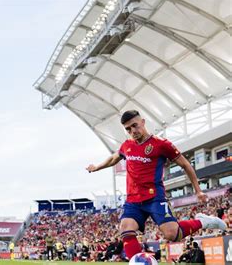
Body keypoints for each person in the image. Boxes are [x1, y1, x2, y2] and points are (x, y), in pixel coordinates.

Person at [86, 110, 227, 260]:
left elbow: (185, 165)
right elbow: (114, 158)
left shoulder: (161, 144)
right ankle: (140, 263)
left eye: (135, 125)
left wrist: (198, 191)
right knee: (125, 229)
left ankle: (203, 222)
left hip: (155, 198)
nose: (133, 131)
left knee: (172, 234)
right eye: (128, 129)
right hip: (133, 200)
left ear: (143, 122)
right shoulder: (127, 145)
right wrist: (97, 167)